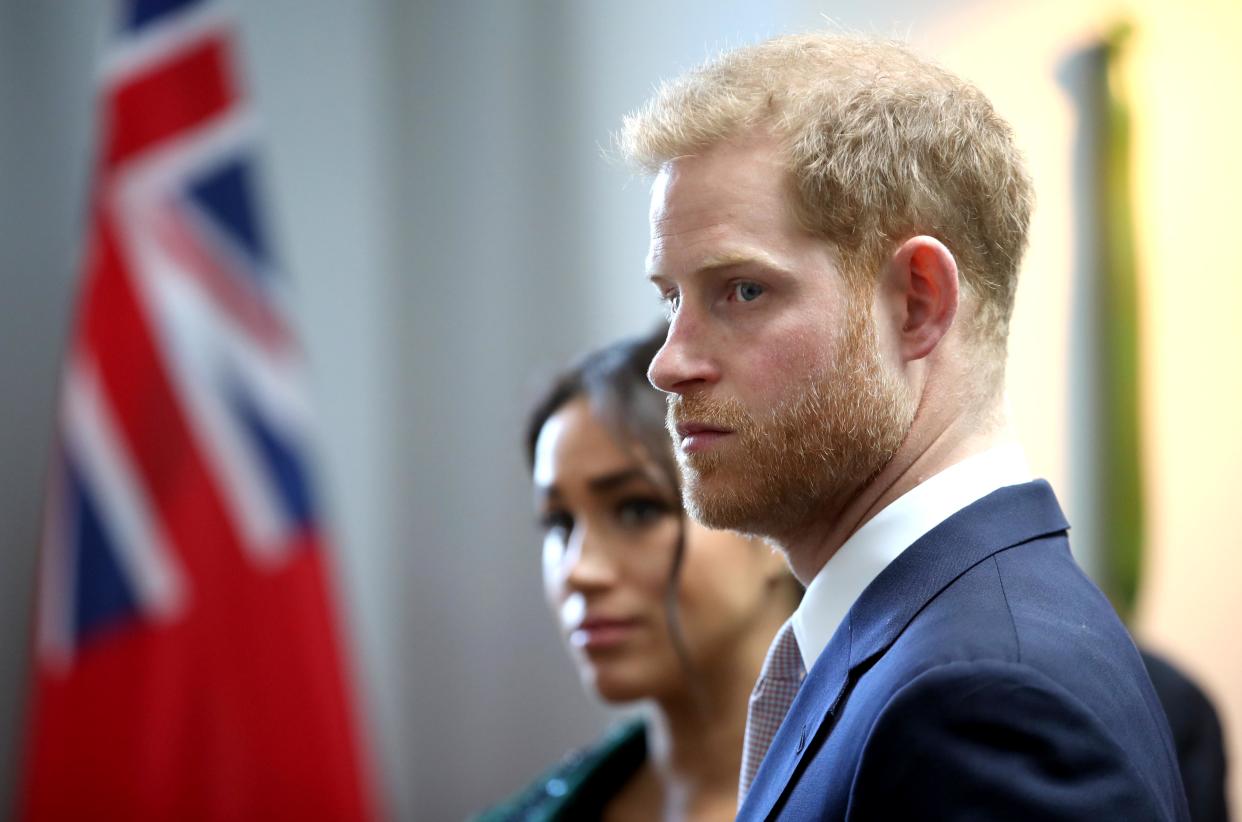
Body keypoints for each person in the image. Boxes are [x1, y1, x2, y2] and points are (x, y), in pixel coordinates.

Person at [620, 33, 1191, 820]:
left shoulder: (986, 699)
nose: (669, 363)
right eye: (672, 299)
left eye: (742, 291)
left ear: (917, 302)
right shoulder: (942, 638)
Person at [476, 326, 801, 821]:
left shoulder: (902, 789)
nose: (578, 571)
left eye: (637, 510)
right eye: (559, 523)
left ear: (778, 524)